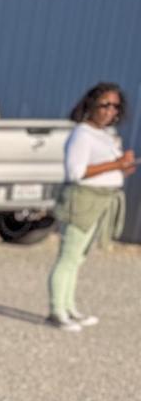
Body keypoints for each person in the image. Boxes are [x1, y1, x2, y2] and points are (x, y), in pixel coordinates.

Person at [48, 82, 134, 331]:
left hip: (102, 199)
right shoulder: (82, 134)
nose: (110, 111)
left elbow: (111, 168)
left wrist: (124, 166)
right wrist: (116, 164)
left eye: (115, 106)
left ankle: (69, 307)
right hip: (82, 199)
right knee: (68, 256)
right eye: (105, 105)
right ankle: (56, 310)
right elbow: (76, 171)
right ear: (91, 105)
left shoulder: (108, 135)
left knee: (79, 258)